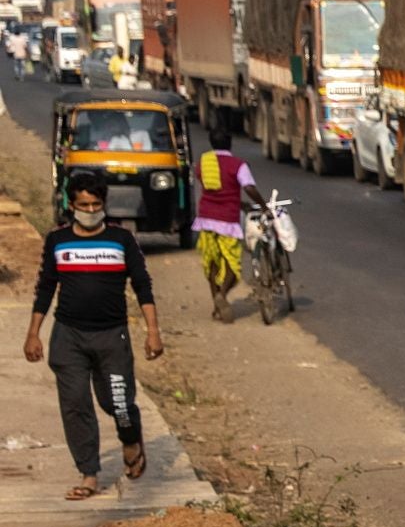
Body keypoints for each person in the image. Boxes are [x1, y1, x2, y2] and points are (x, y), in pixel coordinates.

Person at [22, 173, 159, 501]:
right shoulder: (58, 241)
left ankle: (130, 440)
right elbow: (45, 287)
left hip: (113, 337)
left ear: (104, 204)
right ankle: (89, 473)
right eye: (84, 204)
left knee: (119, 402)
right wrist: (33, 333)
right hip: (69, 336)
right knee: (75, 404)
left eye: (96, 204)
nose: (90, 209)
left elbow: (142, 286)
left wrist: (153, 331)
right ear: (72, 205)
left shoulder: (121, 240)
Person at [192, 147, 250, 320]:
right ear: (230, 144)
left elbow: (207, 183)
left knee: (212, 263)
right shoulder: (237, 165)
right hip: (228, 221)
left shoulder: (203, 163)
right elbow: (249, 187)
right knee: (232, 263)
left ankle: (216, 306)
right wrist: (262, 206)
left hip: (206, 219)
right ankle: (222, 295)